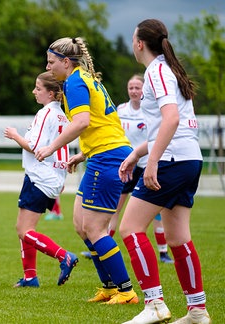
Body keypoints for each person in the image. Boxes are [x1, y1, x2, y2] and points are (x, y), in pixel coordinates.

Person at [119, 19, 210, 324]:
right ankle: (197, 311)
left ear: (140, 44)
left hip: (172, 160)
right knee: (178, 237)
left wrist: (153, 161)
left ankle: (154, 304)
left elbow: (170, 120)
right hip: (190, 159)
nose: (133, 43)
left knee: (130, 228)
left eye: (133, 38)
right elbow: (171, 125)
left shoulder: (155, 70)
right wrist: (136, 154)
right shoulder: (170, 69)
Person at [35, 37, 138, 304]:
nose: (48, 67)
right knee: (82, 225)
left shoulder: (75, 82)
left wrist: (51, 147)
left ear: (66, 62)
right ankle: (110, 287)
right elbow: (102, 125)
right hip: (102, 154)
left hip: (109, 156)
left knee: (95, 228)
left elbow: (82, 122)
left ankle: (126, 291)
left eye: (51, 62)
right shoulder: (83, 79)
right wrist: (82, 154)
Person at [82, 75, 174, 264]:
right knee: (114, 208)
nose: (134, 91)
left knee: (157, 212)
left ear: (144, 89)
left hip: (147, 164)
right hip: (125, 164)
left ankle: (163, 253)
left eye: (137, 87)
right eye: (131, 87)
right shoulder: (121, 109)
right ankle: (102, 246)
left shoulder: (151, 111)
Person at [3, 71, 78, 288]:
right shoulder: (62, 115)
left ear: (52, 94)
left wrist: (16, 135)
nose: (34, 91)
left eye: (38, 88)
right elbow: (60, 148)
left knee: (24, 230)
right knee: (25, 228)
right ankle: (30, 277)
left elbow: (35, 147)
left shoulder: (45, 113)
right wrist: (59, 177)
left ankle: (63, 256)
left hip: (39, 176)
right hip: (50, 177)